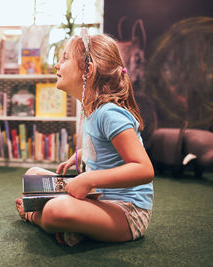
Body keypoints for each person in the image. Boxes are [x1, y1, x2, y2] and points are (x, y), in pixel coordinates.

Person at [15, 30, 154, 246]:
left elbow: (144, 169)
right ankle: (76, 227)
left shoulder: (109, 113)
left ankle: (35, 217)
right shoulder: (90, 109)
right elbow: (106, 147)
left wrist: (89, 179)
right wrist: (80, 155)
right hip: (97, 198)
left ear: (87, 71)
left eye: (65, 58)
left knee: (56, 210)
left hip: (127, 212)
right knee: (33, 174)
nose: (57, 65)